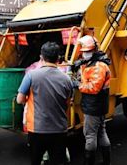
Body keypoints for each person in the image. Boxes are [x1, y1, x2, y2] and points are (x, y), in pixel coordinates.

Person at [17, 42, 73, 165]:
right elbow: (67, 103)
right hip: (59, 128)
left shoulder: (31, 75)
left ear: (41, 57)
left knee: (36, 161)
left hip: (37, 129)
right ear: (58, 58)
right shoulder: (66, 79)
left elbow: (19, 99)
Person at [77, 35, 111, 165]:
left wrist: (77, 84)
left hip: (94, 106)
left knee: (90, 135)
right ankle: (106, 161)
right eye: (84, 52)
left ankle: (89, 162)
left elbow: (93, 88)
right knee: (101, 131)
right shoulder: (96, 63)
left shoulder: (98, 66)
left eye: (87, 51)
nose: (85, 54)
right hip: (99, 105)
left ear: (94, 50)